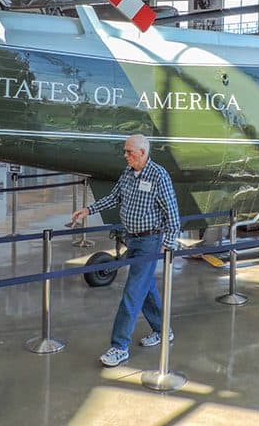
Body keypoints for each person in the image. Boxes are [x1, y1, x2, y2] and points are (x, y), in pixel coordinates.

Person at [72, 134, 180, 368]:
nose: (125, 155)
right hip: (133, 240)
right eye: (125, 151)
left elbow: (173, 215)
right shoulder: (128, 174)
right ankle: (163, 330)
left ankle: (119, 347)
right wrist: (88, 210)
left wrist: (169, 243)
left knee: (132, 293)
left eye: (129, 152)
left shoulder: (159, 176)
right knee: (146, 286)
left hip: (150, 242)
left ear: (143, 153)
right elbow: (115, 198)